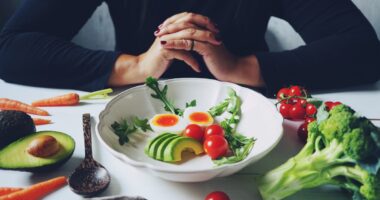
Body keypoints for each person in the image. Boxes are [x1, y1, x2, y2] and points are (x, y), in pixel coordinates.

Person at [0, 0, 379, 96]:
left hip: (251, 100)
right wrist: (136, 67)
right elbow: (10, 47)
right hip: (133, 102)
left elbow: (363, 50)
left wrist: (239, 68)